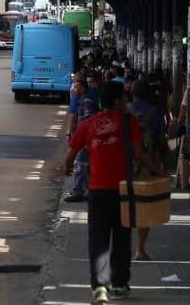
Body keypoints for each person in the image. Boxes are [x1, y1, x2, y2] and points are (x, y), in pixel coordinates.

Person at [64, 82, 166, 304]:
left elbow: (71, 152)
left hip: (97, 193)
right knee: (121, 238)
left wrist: (67, 166)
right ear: (119, 101)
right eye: (124, 98)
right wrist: (160, 173)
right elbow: (140, 154)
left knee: (98, 242)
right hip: (123, 191)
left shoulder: (89, 124)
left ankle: (100, 288)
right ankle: (119, 284)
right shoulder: (129, 123)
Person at [127, 80, 169, 261]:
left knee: (124, 204)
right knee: (145, 207)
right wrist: (164, 165)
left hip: (124, 164)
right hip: (148, 165)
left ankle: (121, 245)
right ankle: (140, 250)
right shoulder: (155, 112)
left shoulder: (124, 110)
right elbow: (161, 140)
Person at [64, 76, 98, 202]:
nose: (74, 89)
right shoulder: (81, 101)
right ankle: (86, 190)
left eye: (76, 87)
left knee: (82, 165)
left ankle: (80, 191)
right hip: (82, 139)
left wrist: (85, 140)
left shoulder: (86, 102)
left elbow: (89, 121)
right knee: (83, 165)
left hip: (85, 141)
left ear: (83, 89)